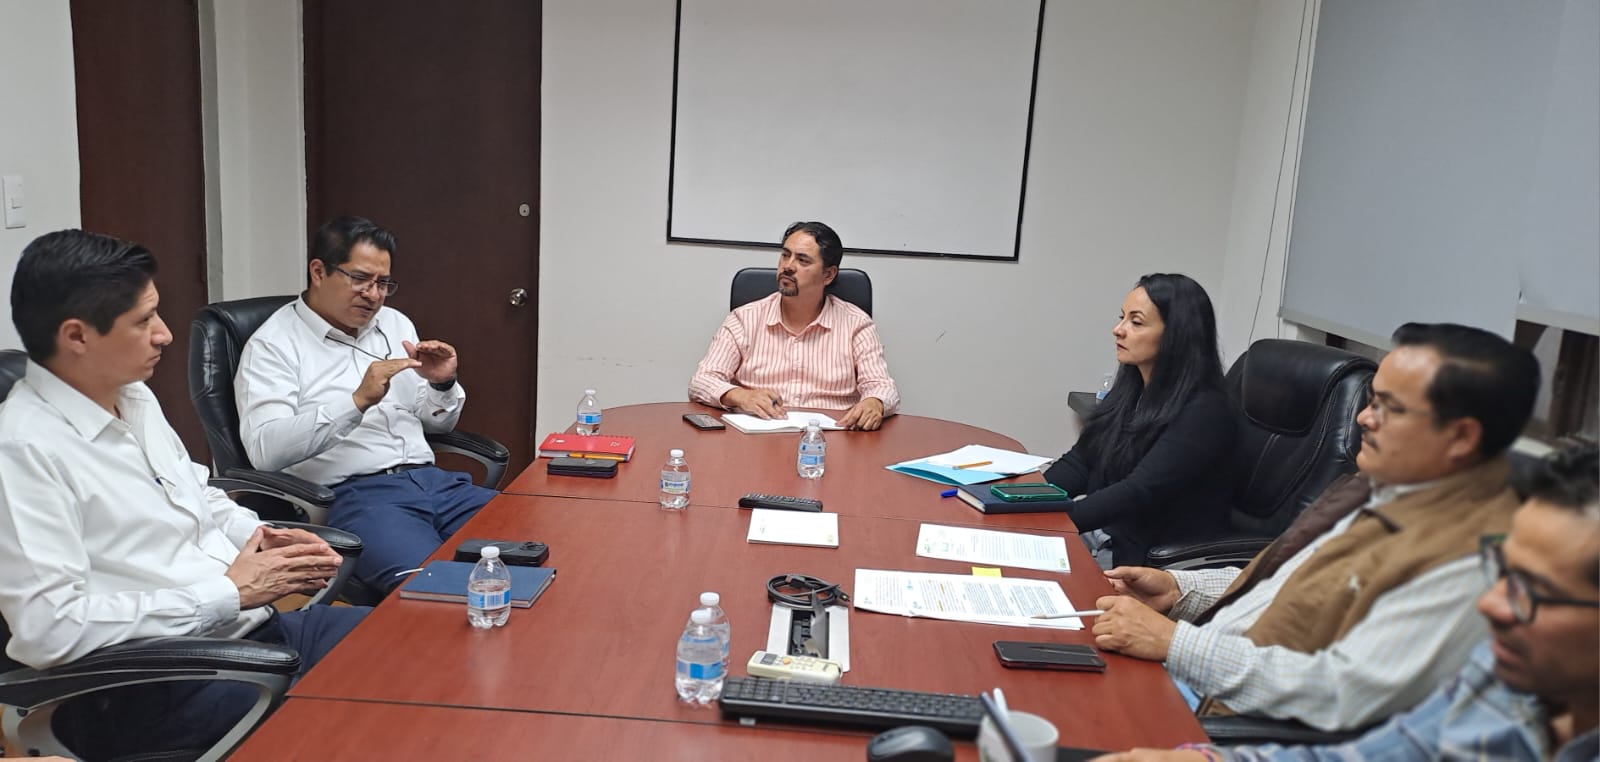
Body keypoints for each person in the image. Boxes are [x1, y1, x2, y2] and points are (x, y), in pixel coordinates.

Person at [0, 230, 369, 759]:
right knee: (373, 722)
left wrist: (264, 537)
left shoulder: (131, 395)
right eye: (143, 320)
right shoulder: (23, 449)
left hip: (251, 636)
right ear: (77, 336)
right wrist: (229, 593)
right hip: (153, 683)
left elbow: (197, 492)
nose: (165, 334)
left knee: (411, 644)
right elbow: (49, 630)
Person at [1090, 323, 1540, 732]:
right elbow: (1297, 585)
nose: (1364, 418)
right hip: (1196, 675)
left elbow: (1342, 691)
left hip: (1222, 725)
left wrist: (1176, 644)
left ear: (1461, 437)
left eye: (1389, 408)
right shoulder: (1383, 488)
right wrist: (1180, 591)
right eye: (1372, 400)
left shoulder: (1472, 560)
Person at [1095, 444, 1599, 761]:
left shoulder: (1455, 562)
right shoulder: (1506, 675)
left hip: (1221, 695)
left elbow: (1344, 692)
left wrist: (1178, 644)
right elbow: (1379, 753)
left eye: (1532, 590)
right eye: (1505, 574)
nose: (1492, 607)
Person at [236, 216, 496, 594]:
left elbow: (436, 424)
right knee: (438, 591)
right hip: (362, 497)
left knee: (539, 547)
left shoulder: (394, 323)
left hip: (437, 484)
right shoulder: (274, 345)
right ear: (319, 272)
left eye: (383, 283)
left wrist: (441, 384)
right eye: (360, 279)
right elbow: (264, 451)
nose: (373, 295)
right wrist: (356, 403)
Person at [1044, 273, 1235, 569]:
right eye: (1122, 318)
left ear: (1176, 334)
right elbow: (1081, 462)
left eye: (1136, 322)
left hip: (1139, 556)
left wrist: (1055, 523)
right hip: (1100, 534)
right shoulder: (1132, 387)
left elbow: (1138, 492)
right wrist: (1026, 502)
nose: (1118, 330)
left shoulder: (1205, 410)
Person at [688, 220, 899, 430]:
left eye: (802, 260)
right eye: (785, 255)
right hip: (757, 438)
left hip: (831, 438)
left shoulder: (856, 324)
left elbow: (882, 386)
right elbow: (702, 381)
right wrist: (740, 396)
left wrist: (875, 402)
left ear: (828, 275)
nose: (788, 266)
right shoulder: (744, 319)